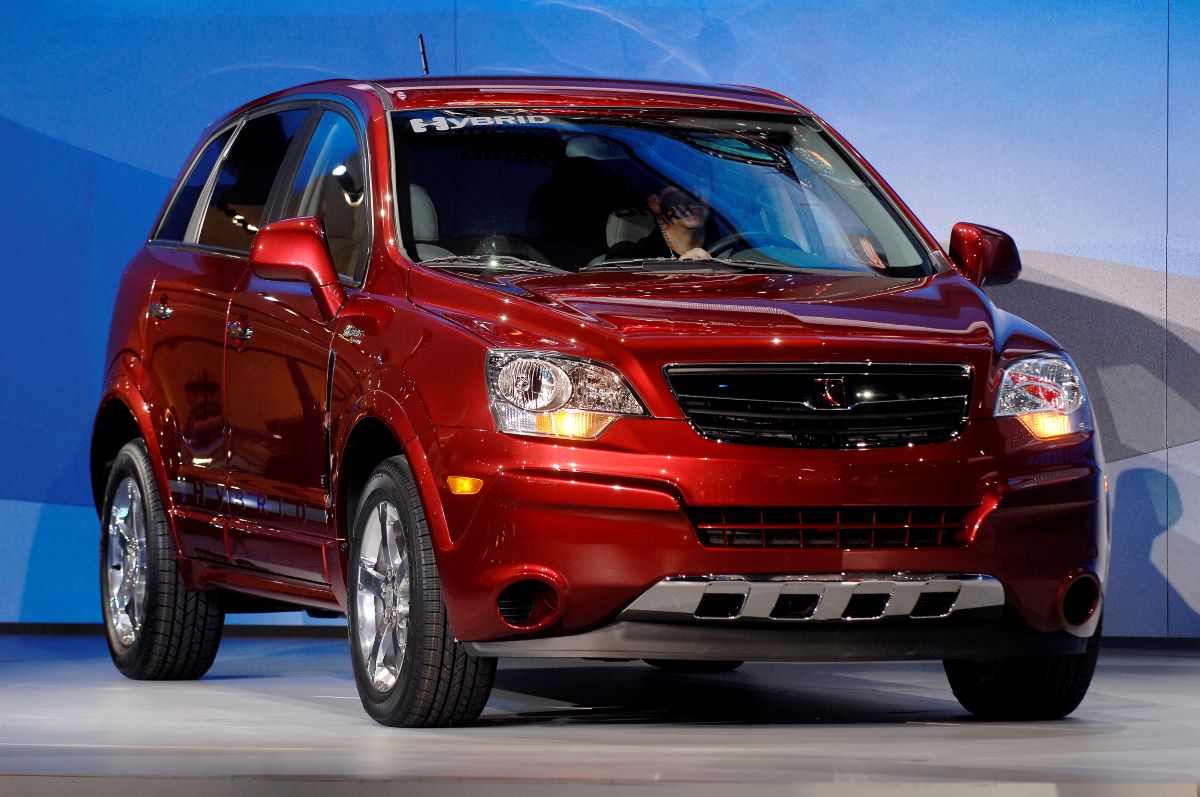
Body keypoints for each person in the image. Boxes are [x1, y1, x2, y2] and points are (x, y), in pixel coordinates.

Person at [606, 186, 713, 261]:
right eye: (681, 186)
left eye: (702, 185)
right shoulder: (629, 257)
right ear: (655, 203)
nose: (695, 196)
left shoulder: (728, 250)